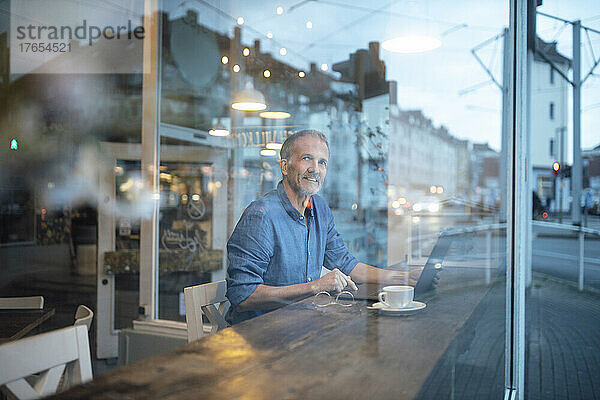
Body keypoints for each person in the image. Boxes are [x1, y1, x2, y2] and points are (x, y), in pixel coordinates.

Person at [225, 129, 422, 324]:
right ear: (285, 167)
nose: (315, 169)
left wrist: (403, 277)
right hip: (259, 333)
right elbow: (242, 295)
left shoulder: (319, 208)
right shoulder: (261, 215)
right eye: (306, 159)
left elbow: (346, 264)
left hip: (299, 324)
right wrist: (315, 287)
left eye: (322, 162)